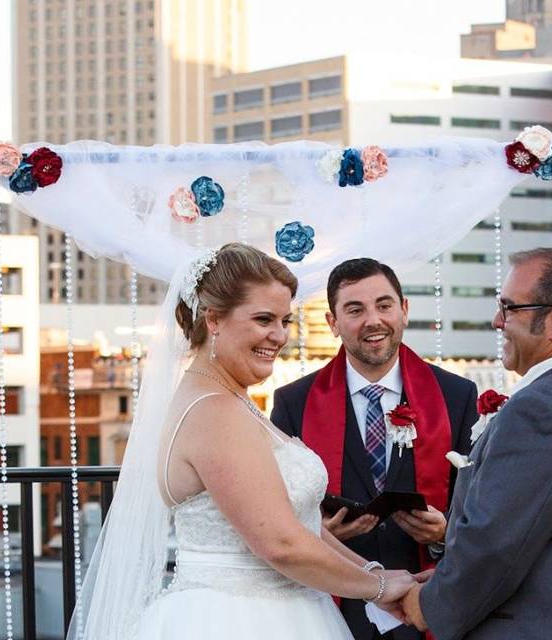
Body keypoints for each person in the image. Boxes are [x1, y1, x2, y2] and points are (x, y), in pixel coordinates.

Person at [80, 243, 417, 640]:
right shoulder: (214, 411)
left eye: (284, 320)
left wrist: (372, 573)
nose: (278, 336)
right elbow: (280, 544)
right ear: (214, 320)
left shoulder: (227, 398)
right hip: (237, 620)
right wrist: (377, 589)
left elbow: (296, 524)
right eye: (263, 319)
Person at [399, 248, 552, 640]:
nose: (498, 320)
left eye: (510, 307)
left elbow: (497, 545)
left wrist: (426, 604)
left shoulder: (540, 408)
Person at [271, 258, 478, 640]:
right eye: (355, 310)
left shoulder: (458, 395)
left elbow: (480, 504)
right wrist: (320, 535)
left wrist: (443, 532)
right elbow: (275, 510)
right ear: (333, 323)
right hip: (332, 610)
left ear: (404, 310)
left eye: (384, 305)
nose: (373, 320)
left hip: (428, 605)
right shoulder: (292, 403)